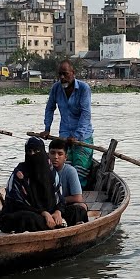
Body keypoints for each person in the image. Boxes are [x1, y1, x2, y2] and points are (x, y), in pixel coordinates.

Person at [40, 59, 95, 187]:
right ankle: (63, 196)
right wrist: (47, 128)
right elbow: (49, 108)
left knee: (80, 171)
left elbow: (85, 114)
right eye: (60, 74)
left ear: (73, 73)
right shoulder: (56, 88)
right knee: (63, 169)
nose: (62, 77)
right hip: (64, 134)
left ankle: (79, 198)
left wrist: (77, 135)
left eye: (65, 74)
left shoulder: (83, 88)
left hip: (83, 137)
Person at [0, 137, 64, 233]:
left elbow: (60, 198)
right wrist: (43, 213)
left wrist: (58, 212)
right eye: (29, 152)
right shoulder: (19, 174)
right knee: (31, 219)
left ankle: (54, 224)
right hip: (17, 215)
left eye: (36, 151)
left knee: (78, 210)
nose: (33, 154)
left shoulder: (51, 172)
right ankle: (54, 226)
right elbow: (17, 204)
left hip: (50, 214)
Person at [49, 138, 89, 227]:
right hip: (48, 208)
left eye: (60, 154)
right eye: (52, 153)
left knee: (81, 207)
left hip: (64, 207)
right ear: (48, 155)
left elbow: (78, 198)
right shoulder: (44, 170)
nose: (56, 157)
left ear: (65, 157)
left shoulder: (70, 171)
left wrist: (58, 201)